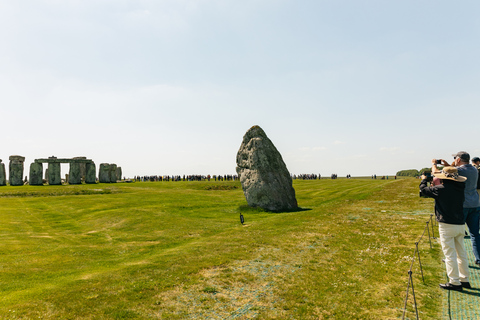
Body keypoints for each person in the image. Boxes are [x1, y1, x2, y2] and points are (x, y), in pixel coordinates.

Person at [420, 163, 469, 291]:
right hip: (459, 223)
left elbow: (423, 191)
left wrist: (424, 180)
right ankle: (465, 279)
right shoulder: (460, 188)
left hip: (447, 224)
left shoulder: (440, 189)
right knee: (461, 253)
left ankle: (454, 282)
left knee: (449, 254)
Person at [444, 152, 480, 267]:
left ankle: (453, 258)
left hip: (462, 205)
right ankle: (478, 258)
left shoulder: (459, 171)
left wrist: (449, 165)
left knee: (456, 233)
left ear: (458, 159)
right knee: (475, 233)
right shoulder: (474, 170)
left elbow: (445, 173)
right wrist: (452, 165)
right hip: (475, 203)